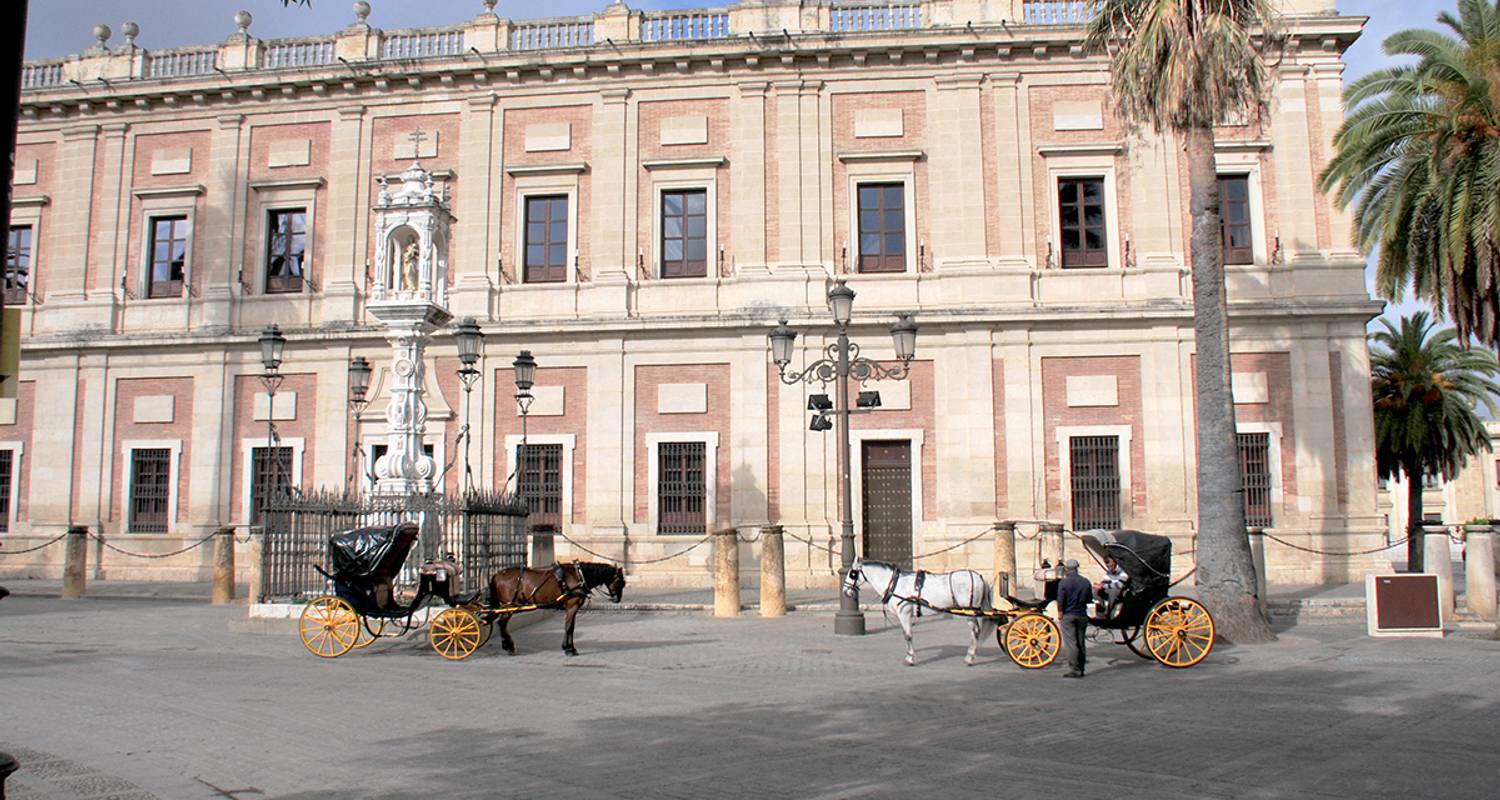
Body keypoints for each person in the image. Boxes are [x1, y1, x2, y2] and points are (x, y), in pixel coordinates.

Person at [1056, 558, 1092, 678]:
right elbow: (1089, 599)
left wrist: (1060, 612)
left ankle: (1075, 669)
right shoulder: (1085, 582)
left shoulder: (1064, 583)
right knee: (1081, 642)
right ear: (1077, 568)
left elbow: (1060, 600)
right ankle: (1081, 668)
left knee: (1071, 643)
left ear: (1067, 569)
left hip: (1068, 615)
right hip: (1082, 615)